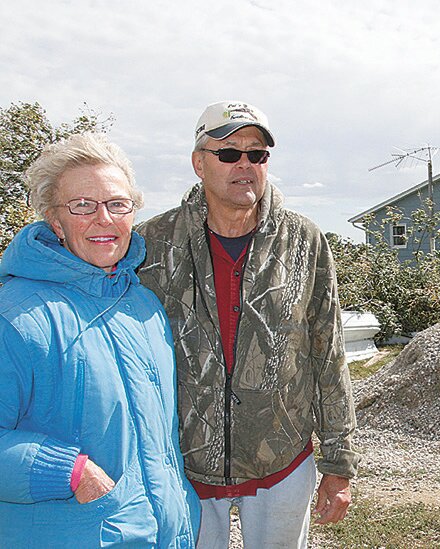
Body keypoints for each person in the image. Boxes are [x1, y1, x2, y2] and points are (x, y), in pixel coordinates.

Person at [137, 101, 359, 548]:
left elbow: (328, 353)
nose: (245, 165)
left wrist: (339, 463)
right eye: (228, 153)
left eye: (256, 154)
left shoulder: (304, 240)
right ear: (199, 163)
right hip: (184, 463)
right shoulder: (151, 243)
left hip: (281, 460)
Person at [0, 132, 201, 547]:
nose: (103, 219)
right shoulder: (16, 315)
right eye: (82, 206)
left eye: (117, 205)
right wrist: (67, 472)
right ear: (54, 221)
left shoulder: (144, 306)